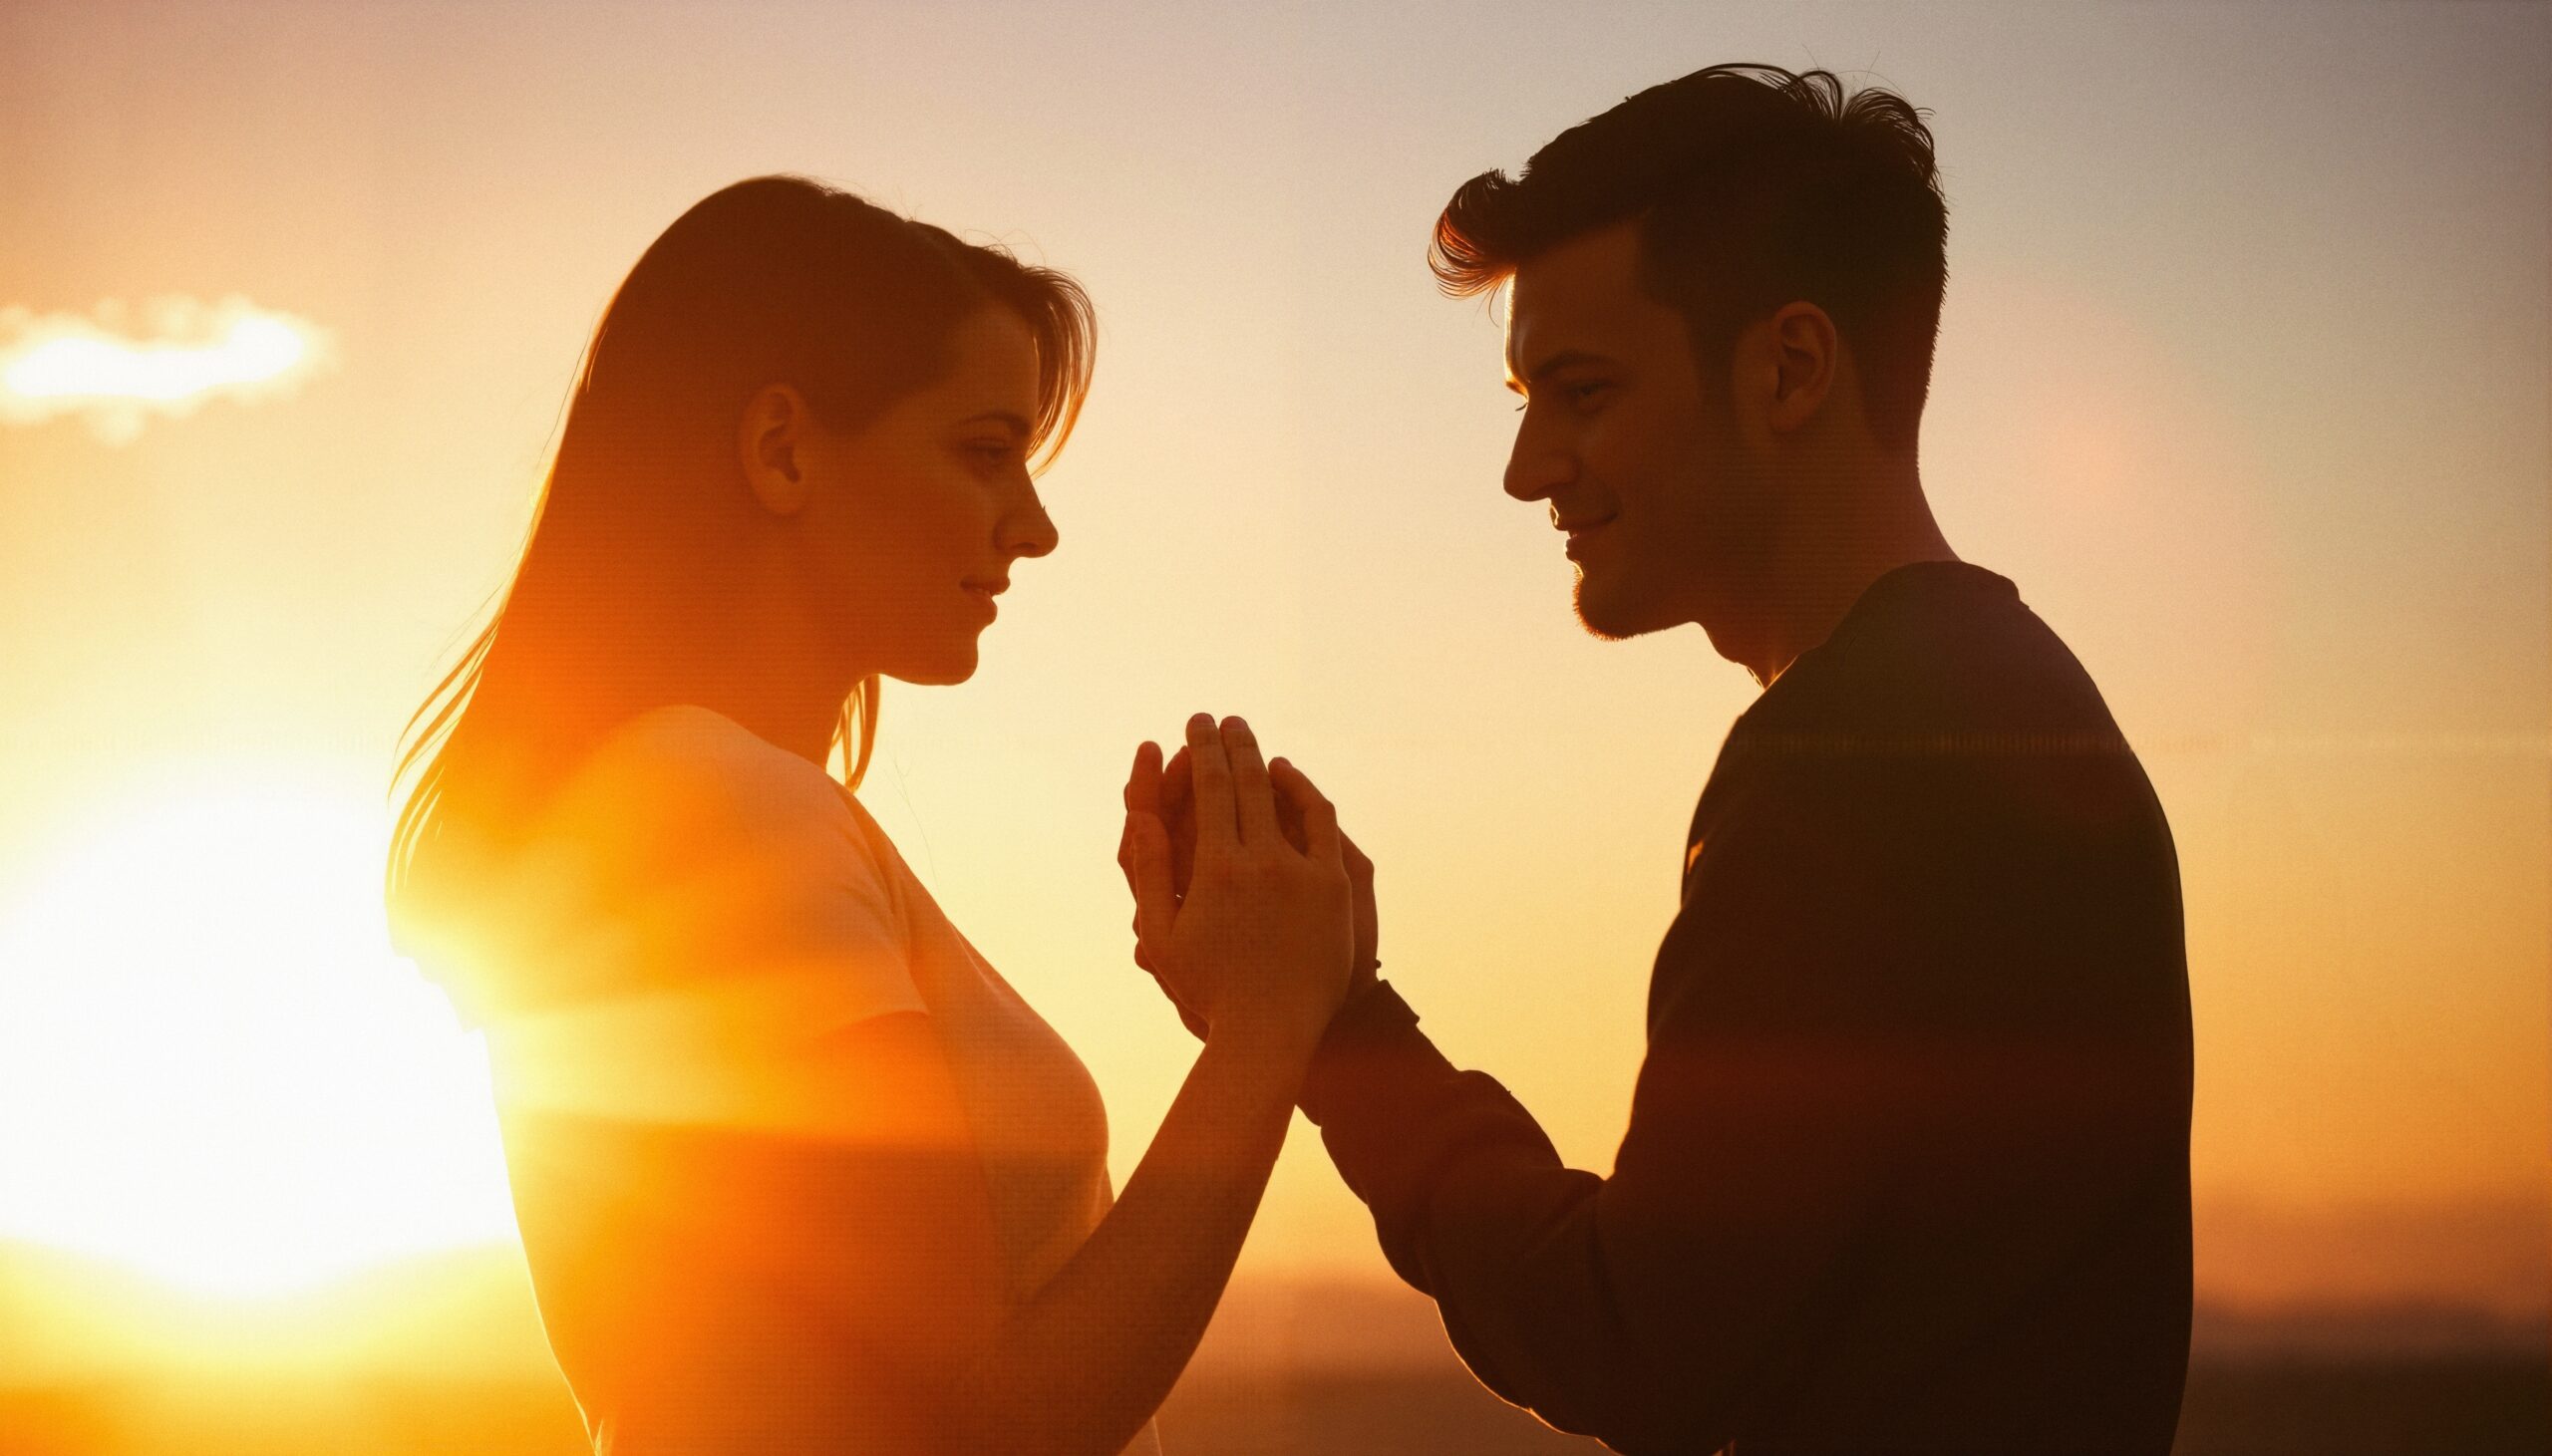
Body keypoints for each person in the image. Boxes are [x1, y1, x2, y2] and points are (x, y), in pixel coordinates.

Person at [1122, 65, 2193, 1455]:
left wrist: (1338, 1029)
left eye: (1580, 389)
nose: (1526, 467)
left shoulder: (1853, 766)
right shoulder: (2010, 707)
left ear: (1791, 369)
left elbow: (1641, 1343)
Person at [387, 175, 1360, 1455]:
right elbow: (992, 1419)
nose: (1036, 526)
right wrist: (1266, 1024)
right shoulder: (711, 806)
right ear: (782, 451)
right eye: (984, 450)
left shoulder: (698, 803)